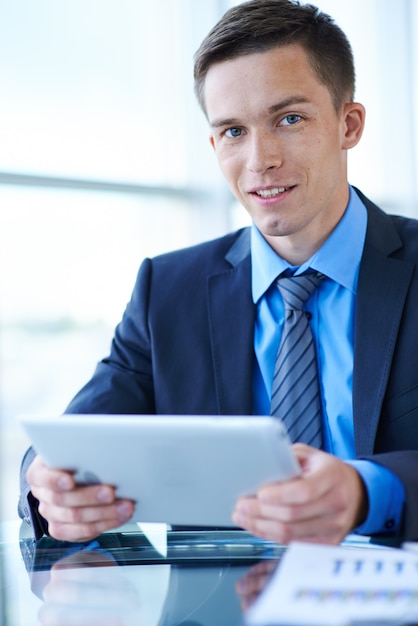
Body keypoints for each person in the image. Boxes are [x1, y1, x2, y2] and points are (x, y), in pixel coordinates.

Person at [19, 0, 418, 545]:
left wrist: (368, 490)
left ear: (348, 125)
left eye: (289, 119)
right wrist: (46, 484)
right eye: (233, 131)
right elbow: (72, 444)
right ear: (214, 145)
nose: (260, 159)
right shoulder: (168, 291)